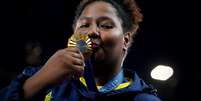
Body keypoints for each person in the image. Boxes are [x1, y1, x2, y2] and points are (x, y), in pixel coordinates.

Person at [0, 0, 161, 100]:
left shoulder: (143, 99)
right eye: (84, 25)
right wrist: (37, 81)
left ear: (125, 40)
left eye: (105, 25)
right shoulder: (40, 80)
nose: (92, 32)